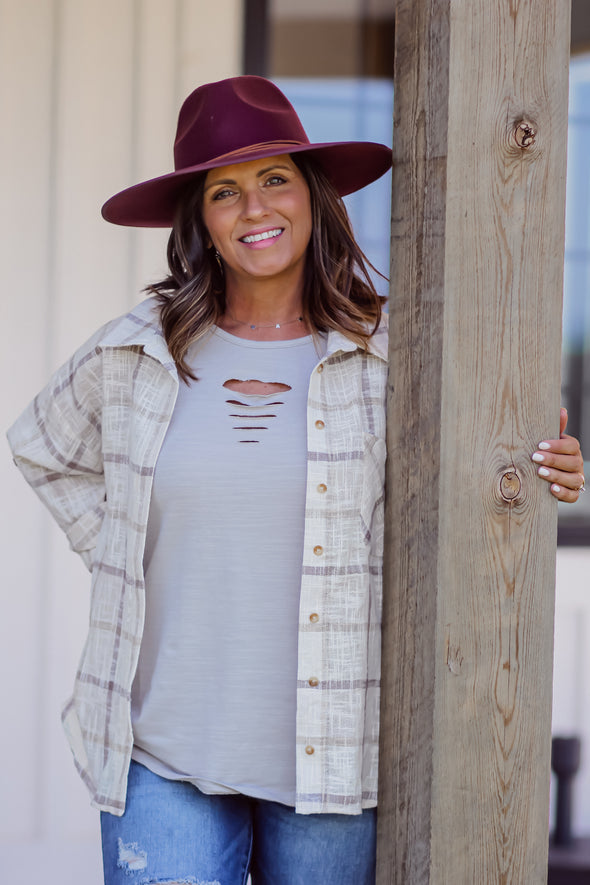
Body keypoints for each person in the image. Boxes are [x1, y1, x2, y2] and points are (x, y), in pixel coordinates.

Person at [7, 76, 585, 885]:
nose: (254, 209)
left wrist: (552, 467)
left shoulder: (395, 353)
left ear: (313, 195)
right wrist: (120, 545)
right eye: (225, 191)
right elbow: (39, 445)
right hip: (162, 754)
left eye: (275, 178)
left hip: (333, 762)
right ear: (200, 220)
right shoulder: (136, 350)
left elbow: (491, 465)